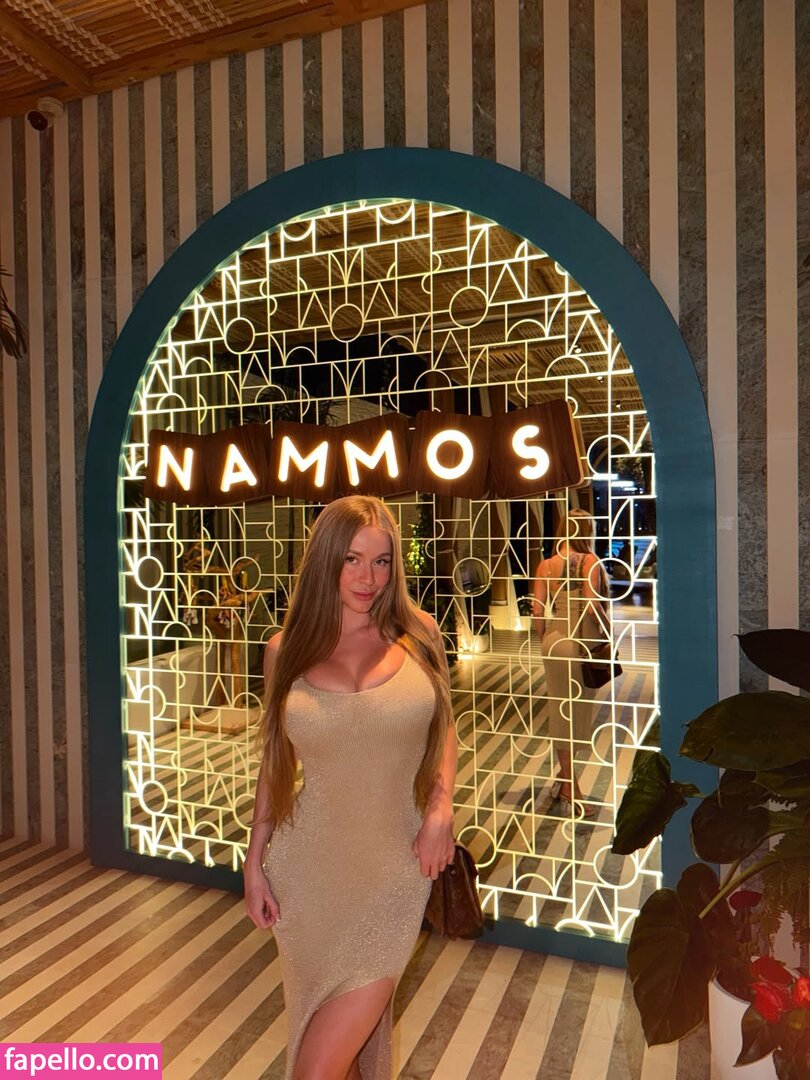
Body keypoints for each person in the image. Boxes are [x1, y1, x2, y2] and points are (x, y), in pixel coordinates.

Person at [243, 495, 457, 1080]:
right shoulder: (285, 650)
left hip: (394, 871)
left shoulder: (419, 635)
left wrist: (441, 809)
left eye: (382, 561)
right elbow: (275, 760)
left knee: (316, 1069)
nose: (369, 578)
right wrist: (255, 861)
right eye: (353, 560)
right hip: (307, 873)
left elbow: (445, 729)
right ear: (326, 561)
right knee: (336, 1053)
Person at [532, 508, 609, 818]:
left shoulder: (546, 565)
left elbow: (538, 611)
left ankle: (564, 777)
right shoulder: (589, 561)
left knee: (560, 710)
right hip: (580, 642)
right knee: (575, 714)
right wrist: (610, 631)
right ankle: (570, 789)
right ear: (586, 531)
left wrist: (545, 639)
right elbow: (591, 605)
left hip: (554, 641)